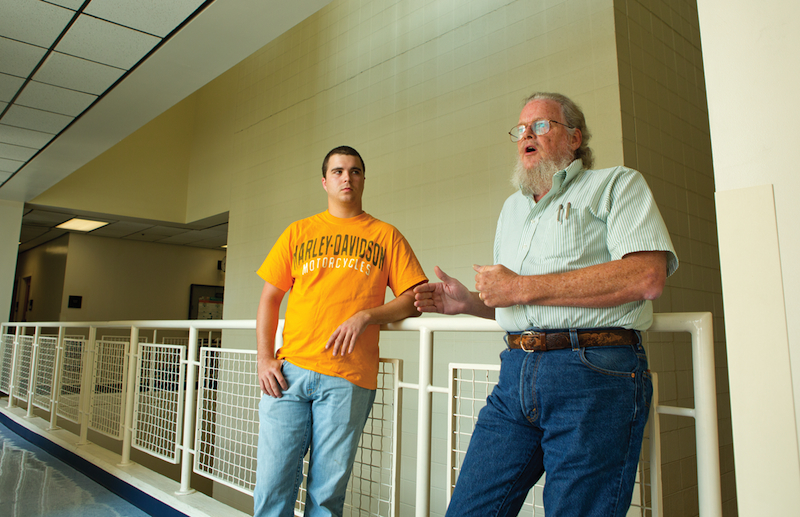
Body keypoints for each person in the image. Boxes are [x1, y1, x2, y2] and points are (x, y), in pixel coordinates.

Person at [414, 92, 678, 517]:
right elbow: (520, 301)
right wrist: (470, 303)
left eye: (540, 125)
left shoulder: (616, 184)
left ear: (574, 138)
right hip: (516, 373)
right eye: (520, 130)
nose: (526, 136)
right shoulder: (511, 209)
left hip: (593, 374)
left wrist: (518, 288)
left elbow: (646, 276)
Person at [254, 146, 427, 517]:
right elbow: (270, 299)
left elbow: (413, 298)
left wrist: (368, 315)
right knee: (272, 487)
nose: (346, 177)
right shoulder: (298, 232)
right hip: (289, 373)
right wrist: (264, 358)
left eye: (355, 171)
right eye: (337, 171)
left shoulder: (385, 235)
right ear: (325, 181)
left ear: (363, 179)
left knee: (326, 497)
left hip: (349, 378)